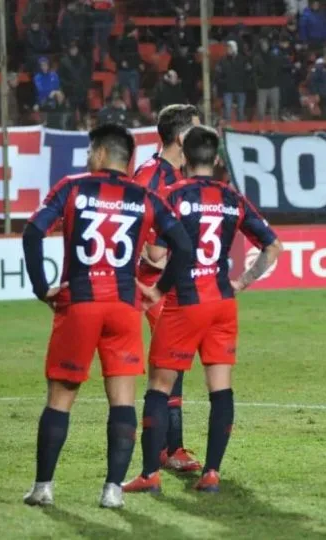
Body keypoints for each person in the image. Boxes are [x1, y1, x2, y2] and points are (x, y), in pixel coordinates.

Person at [21, 124, 193, 508]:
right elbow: (182, 243)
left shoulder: (71, 186)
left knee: (61, 398)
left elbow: (32, 231)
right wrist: (158, 290)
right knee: (122, 401)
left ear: (99, 153)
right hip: (124, 307)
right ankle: (113, 490)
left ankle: (44, 487)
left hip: (79, 304)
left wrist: (39, 287)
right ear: (127, 158)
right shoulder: (144, 196)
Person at [122, 126, 283, 494]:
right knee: (220, 388)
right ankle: (211, 473)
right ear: (216, 158)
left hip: (184, 303)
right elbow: (273, 246)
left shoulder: (172, 196)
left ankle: (149, 474)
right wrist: (242, 281)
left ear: (186, 155)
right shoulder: (232, 197)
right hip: (222, 302)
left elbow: (157, 254)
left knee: (159, 388)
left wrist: (158, 281)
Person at [133, 103, 202, 472]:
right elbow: (143, 228)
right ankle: (168, 450)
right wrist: (159, 257)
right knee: (168, 364)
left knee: (171, 363)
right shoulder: (155, 175)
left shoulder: (167, 172)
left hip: (164, 281)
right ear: (180, 137)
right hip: (150, 283)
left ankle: (166, 448)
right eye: (196, 128)